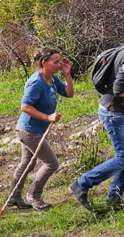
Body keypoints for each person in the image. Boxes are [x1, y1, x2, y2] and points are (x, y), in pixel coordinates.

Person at [9, 47, 74, 211]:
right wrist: (48, 117)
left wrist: (67, 74)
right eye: (56, 62)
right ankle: (33, 196)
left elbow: (69, 93)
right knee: (52, 163)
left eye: (60, 61)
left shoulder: (52, 78)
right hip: (29, 131)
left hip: (33, 130)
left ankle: (14, 197)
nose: (59, 65)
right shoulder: (36, 82)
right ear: (44, 62)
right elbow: (25, 107)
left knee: (27, 165)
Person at [71, 45, 124, 211]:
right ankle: (82, 184)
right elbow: (119, 89)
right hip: (114, 113)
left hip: (117, 110)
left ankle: (115, 199)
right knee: (123, 157)